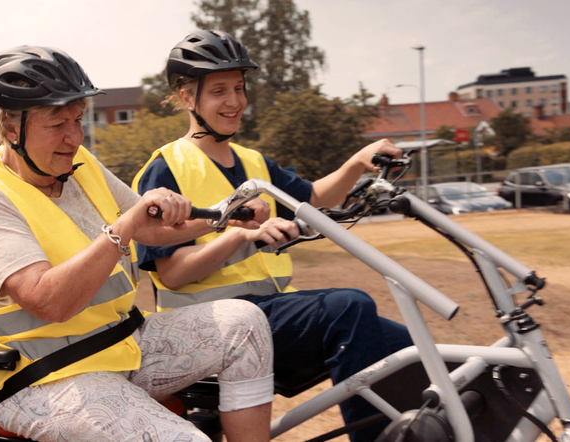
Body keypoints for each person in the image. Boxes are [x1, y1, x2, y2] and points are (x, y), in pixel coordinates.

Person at [0, 45, 275, 442]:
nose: (73, 137)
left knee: (245, 322)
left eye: (78, 120)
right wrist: (125, 226)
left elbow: (151, 229)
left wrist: (224, 214)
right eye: (57, 124)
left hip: (121, 346)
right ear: (11, 127)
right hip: (42, 379)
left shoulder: (77, 163)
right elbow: (48, 301)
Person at [132, 30, 414, 442]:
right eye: (219, 92)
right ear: (187, 97)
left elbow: (314, 198)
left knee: (405, 345)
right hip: (212, 324)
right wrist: (242, 235)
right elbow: (172, 275)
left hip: (270, 311)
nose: (234, 101)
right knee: (350, 307)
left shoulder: (254, 162)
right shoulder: (165, 169)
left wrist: (356, 162)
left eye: (239, 89)